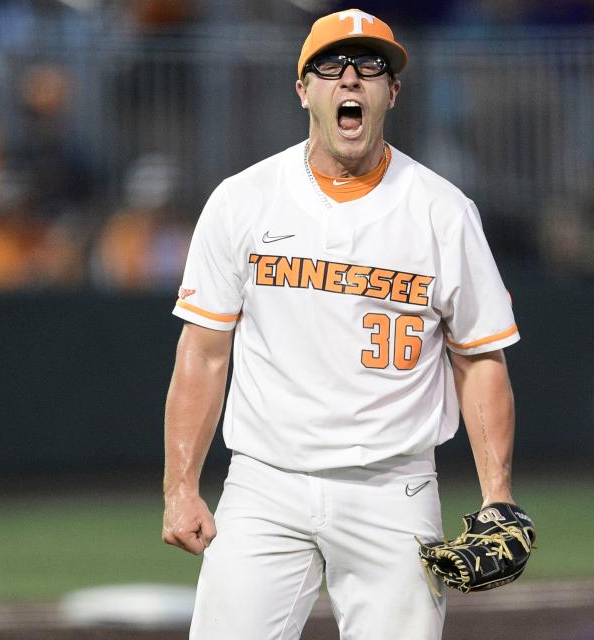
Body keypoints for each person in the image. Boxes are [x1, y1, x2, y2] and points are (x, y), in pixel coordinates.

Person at [161, 9, 521, 640]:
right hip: (265, 481)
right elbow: (203, 353)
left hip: (393, 485)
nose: (350, 79)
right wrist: (180, 487)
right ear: (304, 90)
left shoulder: (442, 210)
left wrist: (497, 495)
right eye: (331, 66)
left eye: (370, 66)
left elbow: (480, 357)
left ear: (392, 92)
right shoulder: (243, 199)